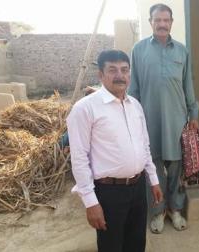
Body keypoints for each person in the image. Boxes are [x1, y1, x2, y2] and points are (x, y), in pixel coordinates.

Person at [67, 50, 163, 251]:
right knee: (111, 246)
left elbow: (144, 145)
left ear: (129, 74)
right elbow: (79, 158)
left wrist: (153, 180)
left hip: (137, 188)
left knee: (136, 243)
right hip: (108, 192)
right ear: (101, 75)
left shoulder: (135, 105)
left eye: (124, 70)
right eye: (112, 70)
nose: (119, 75)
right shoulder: (85, 109)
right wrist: (91, 203)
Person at [128, 3, 199, 234]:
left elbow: (188, 84)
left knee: (177, 167)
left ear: (171, 23)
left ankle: (175, 210)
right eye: (157, 20)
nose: (162, 24)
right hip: (149, 120)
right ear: (150, 22)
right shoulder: (138, 50)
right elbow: (134, 89)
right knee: (154, 168)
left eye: (166, 20)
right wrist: (131, 118)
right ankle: (158, 212)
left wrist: (194, 114)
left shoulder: (182, 51)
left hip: (178, 120)